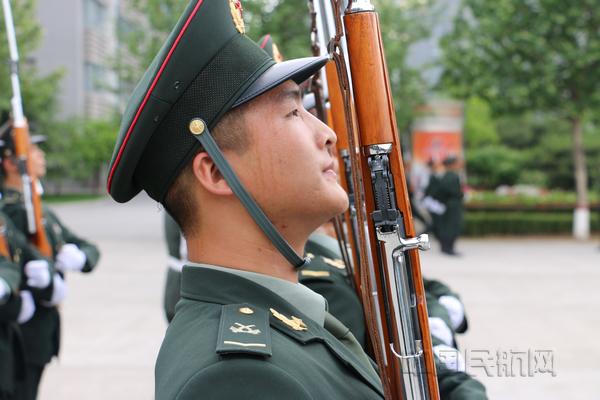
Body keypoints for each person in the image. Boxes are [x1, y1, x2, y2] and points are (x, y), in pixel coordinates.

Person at [0, 126, 100, 400]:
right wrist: (45, 284)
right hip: (23, 332)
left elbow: (87, 247)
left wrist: (82, 258)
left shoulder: (41, 211)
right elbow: (16, 262)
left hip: (42, 332)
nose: (41, 156)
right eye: (33, 150)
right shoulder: (11, 212)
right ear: (11, 163)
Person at [425, 156, 464, 255]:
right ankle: (449, 248)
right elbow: (456, 192)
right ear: (452, 165)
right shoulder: (453, 176)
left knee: (445, 226)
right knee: (452, 227)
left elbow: (439, 191)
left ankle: (445, 247)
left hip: (445, 204)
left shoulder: (444, 175)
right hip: (453, 205)